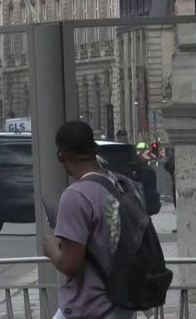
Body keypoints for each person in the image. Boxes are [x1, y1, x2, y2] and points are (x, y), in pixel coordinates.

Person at [43, 121, 133, 319]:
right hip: (123, 305)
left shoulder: (76, 196)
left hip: (88, 308)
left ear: (61, 156)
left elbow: (71, 265)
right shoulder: (124, 185)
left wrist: (51, 249)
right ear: (94, 150)